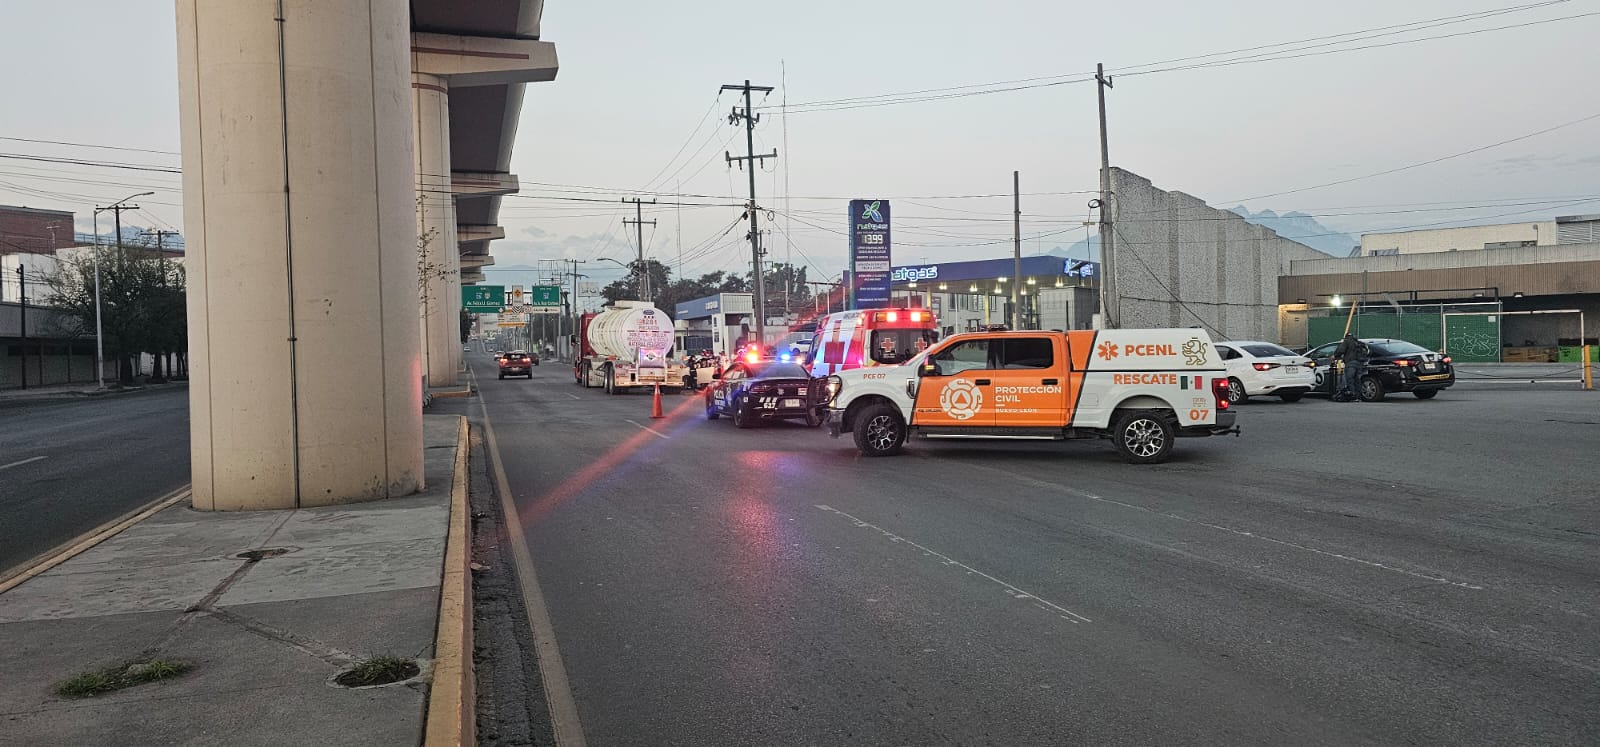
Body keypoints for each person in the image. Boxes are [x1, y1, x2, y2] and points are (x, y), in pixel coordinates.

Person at [1331, 334, 1356, 401]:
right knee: (1356, 380)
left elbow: (1341, 350)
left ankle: (1351, 395)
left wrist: (1334, 356)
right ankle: (1357, 396)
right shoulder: (1356, 342)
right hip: (1360, 363)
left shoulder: (1346, 341)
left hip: (1350, 362)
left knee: (1348, 379)